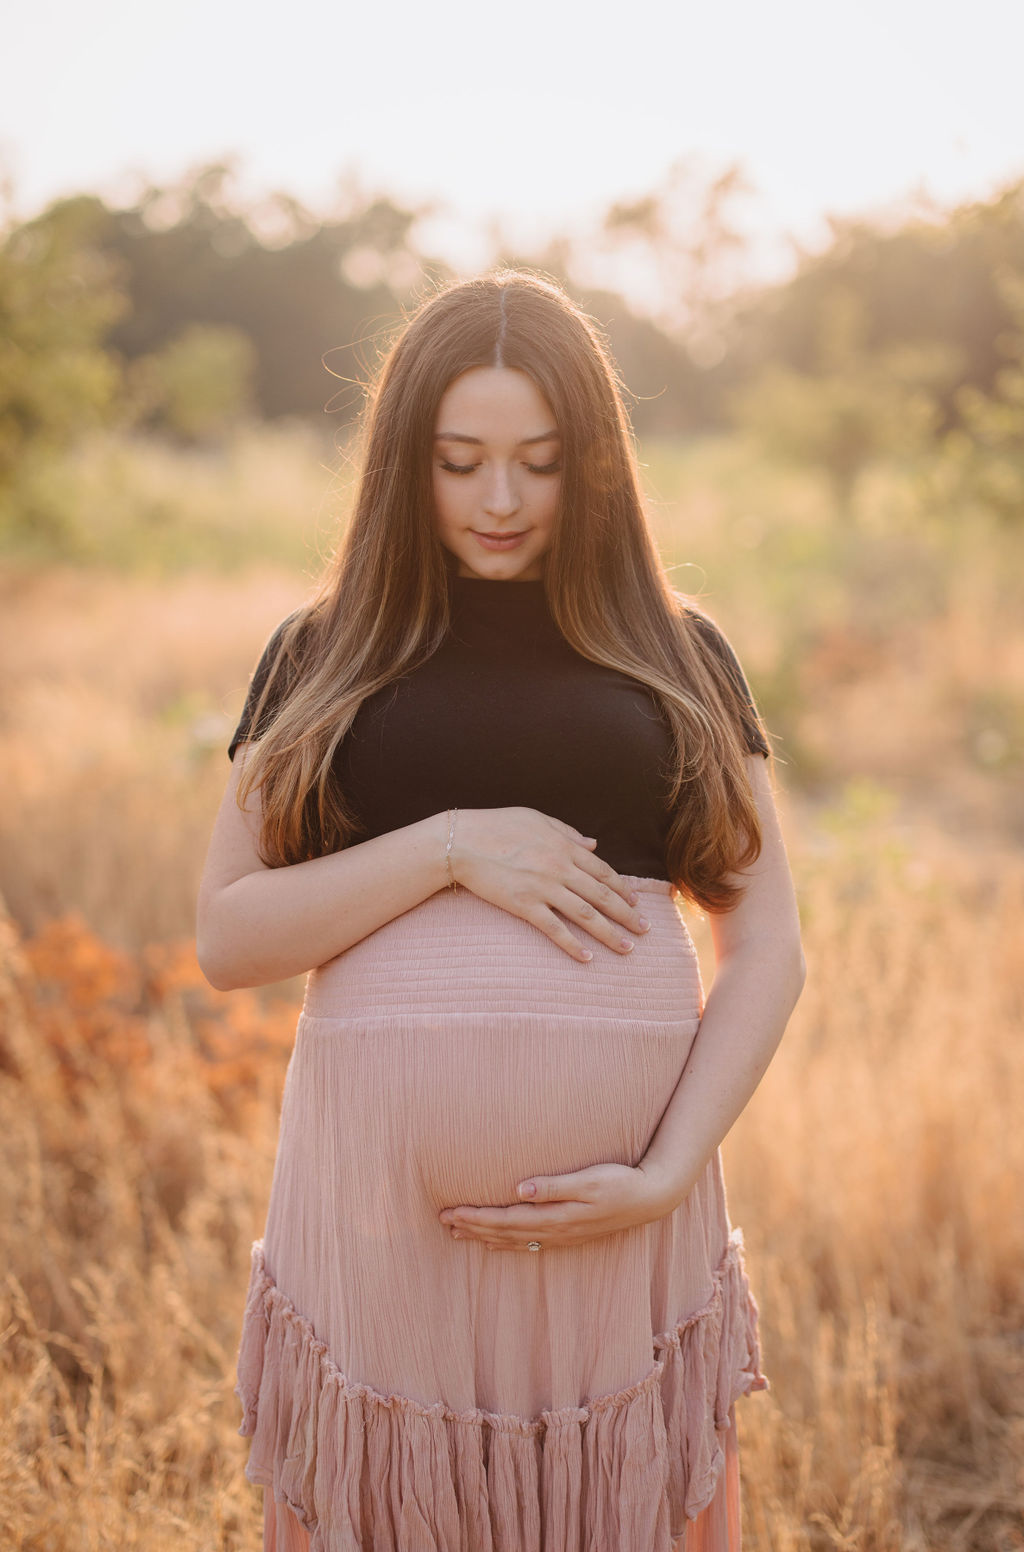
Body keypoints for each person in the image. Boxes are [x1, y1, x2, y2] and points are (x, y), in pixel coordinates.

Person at [196, 269, 806, 1552]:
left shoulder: (676, 650)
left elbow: (764, 948)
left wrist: (663, 1173)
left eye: (537, 460)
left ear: (593, 463)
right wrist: (450, 846)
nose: (499, 499)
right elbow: (228, 936)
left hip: (618, 1213)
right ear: (404, 462)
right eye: (459, 460)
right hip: (377, 1235)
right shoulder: (325, 652)